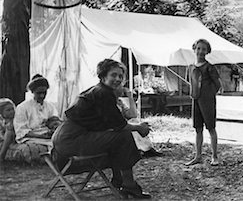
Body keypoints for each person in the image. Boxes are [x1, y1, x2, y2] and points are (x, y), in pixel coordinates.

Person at [52, 59, 151, 198]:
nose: (117, 79)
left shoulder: (101, 91)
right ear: (103, 76)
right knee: (123, 137)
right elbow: (120, 125)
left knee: (116, 138)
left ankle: (121, 181)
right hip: (71, 139)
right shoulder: (102, 93)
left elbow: (113, 124)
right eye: (113, 75)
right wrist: (139, 128)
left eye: (120, 76)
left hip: (69, 137)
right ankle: (128, 185)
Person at [185, 39, 222, 166]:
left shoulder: (209, 68)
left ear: (207, 51)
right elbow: (189, 82)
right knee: (198, 128)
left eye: (204, 49)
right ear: (194, 49)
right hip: (196, 100)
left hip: (207, 101)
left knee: (211, 128)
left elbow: (218, 84)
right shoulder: (191, 67)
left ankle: (214, 156)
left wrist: (208, 94)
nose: (201, 51)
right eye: (199, 48)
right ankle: (198, 155)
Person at [13, 75, 59, 163]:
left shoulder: (50, 106)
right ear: (32, 92)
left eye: (44, 92)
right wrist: (40, 135)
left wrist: (54, 129)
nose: (42, 95)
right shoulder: (23, 107)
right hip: (31, 137)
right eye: (39, 93)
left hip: (47, 136)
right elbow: (21, 130)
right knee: (35, 148)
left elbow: (54, 120)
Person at [115, 87, 163, 157]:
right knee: (133, 126)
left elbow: (133, 114)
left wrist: (130, 97)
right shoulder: (106, 102)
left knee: (135, 121)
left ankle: (147, 148)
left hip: (122, 124)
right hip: (114, 127)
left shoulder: (119, 101)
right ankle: (141, 149)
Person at [0, 98, 16, 164]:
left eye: (12, 109)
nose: (11, 112)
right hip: (2, 138)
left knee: (9, 131)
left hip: (12, 138)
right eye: (8, 110)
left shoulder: (16, 120)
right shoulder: (2, 121)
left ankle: (1, 156)